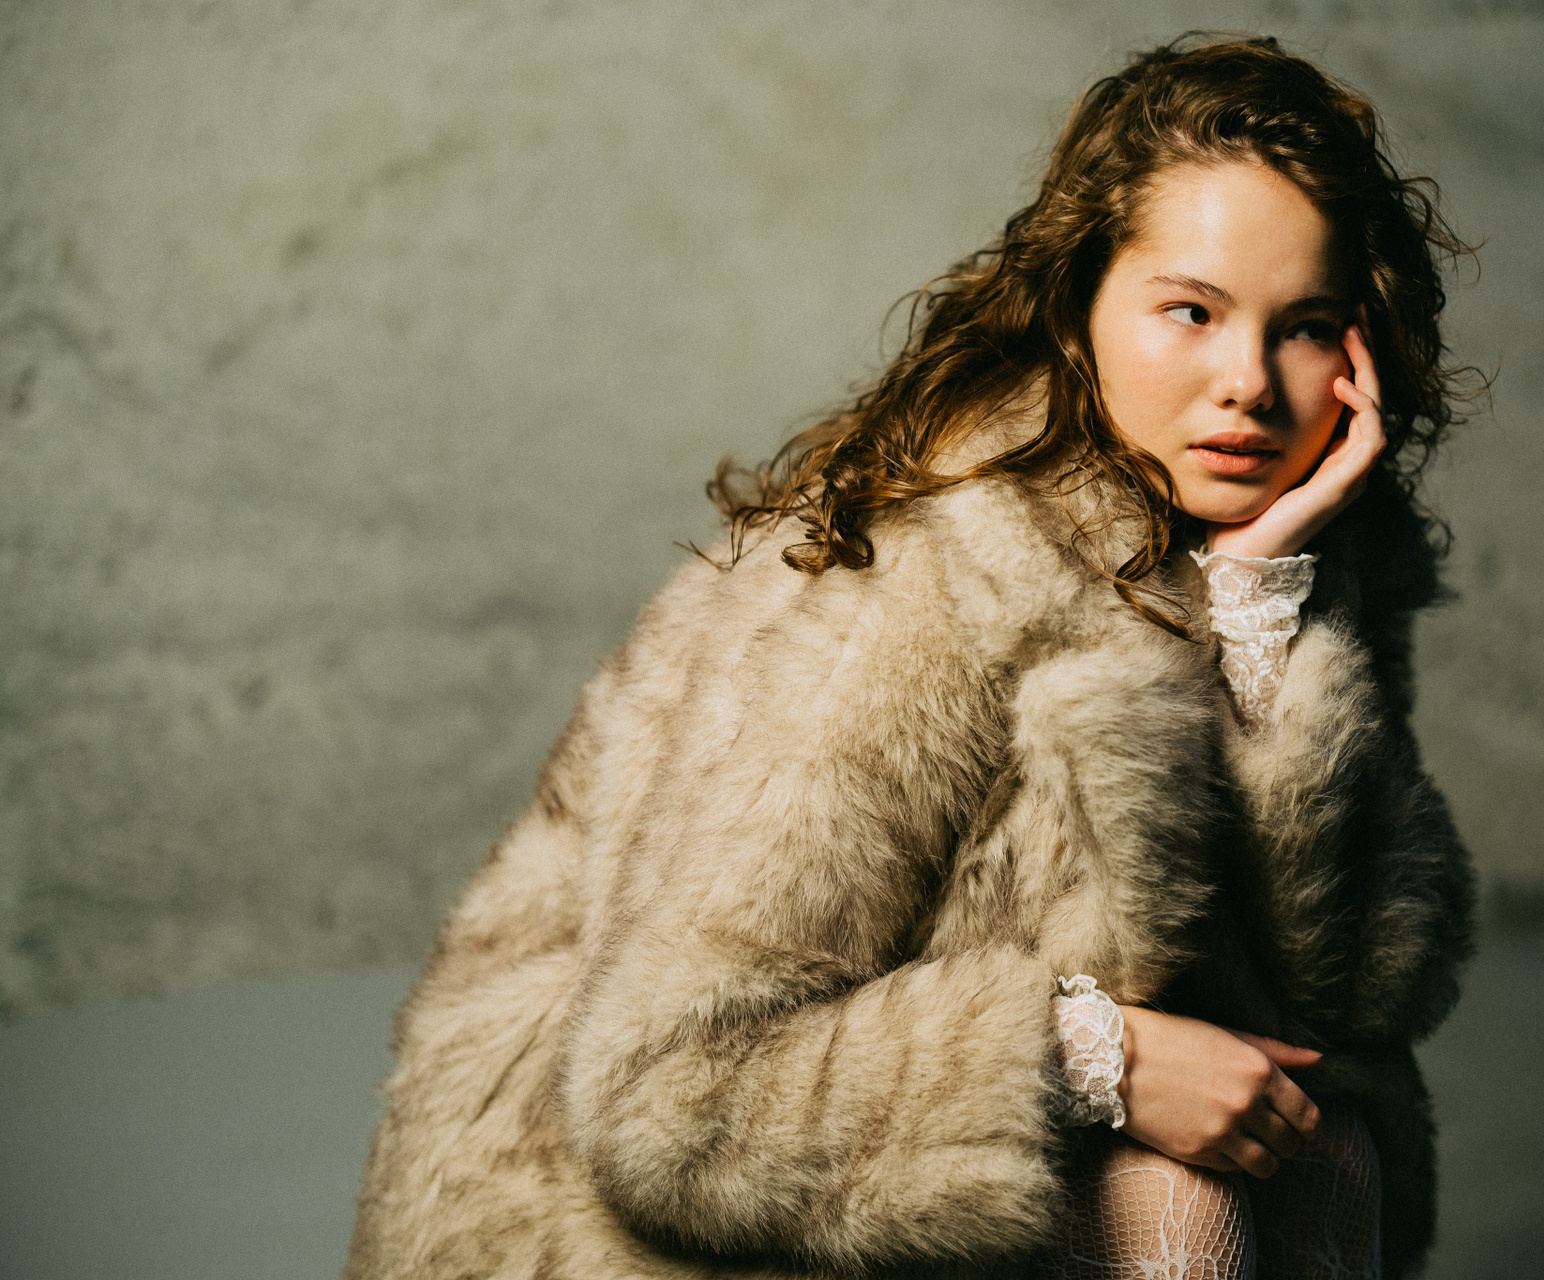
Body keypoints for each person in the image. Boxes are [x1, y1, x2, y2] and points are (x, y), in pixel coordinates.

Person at [347, 33, 1476, 1280]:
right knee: (1175, 1205)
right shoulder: (924, 580)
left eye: (1304, 327)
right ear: (1080, 307)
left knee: (1326, 1153)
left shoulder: (1298, 564)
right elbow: (670, 1101)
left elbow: (1353, 1003)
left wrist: (1265, 607)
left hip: (919, 1176)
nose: (1249, 384)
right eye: (1191, 311)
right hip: (625, 1205)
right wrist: (1099, 1057)